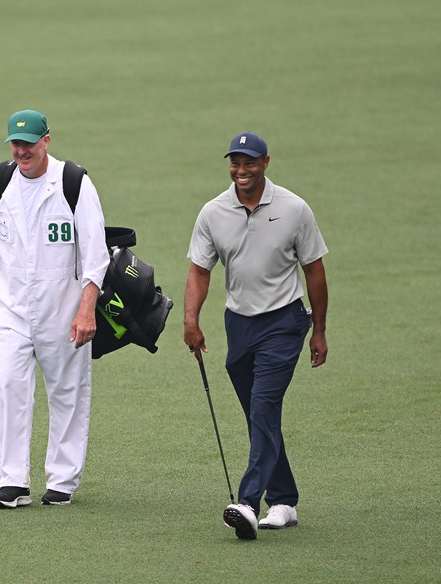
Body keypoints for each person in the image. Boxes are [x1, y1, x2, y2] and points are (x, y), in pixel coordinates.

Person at [0, 109, 109, 508]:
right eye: (15, 143)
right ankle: (12, 481)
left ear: (47, 140)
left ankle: (62, 480)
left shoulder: (74, 183)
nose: (21, 150)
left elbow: (95, 255)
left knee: (67, 392)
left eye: (28, 142)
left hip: (64, 307)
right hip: (9, 304)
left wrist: (87, 309)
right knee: (7, 382)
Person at [183, 132, 328, 539]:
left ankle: (247, 501)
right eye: (235, 163)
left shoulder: (294, 209)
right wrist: (190, 321)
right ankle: (284, 500)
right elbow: (199, 270)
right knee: (257, 415)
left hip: (284, 323)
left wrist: (319, 329)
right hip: (239, 325)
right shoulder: (213, 212)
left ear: (266, 162)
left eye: (249, 163)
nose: (241, 171)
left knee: (263, 409)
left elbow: (314, 269)